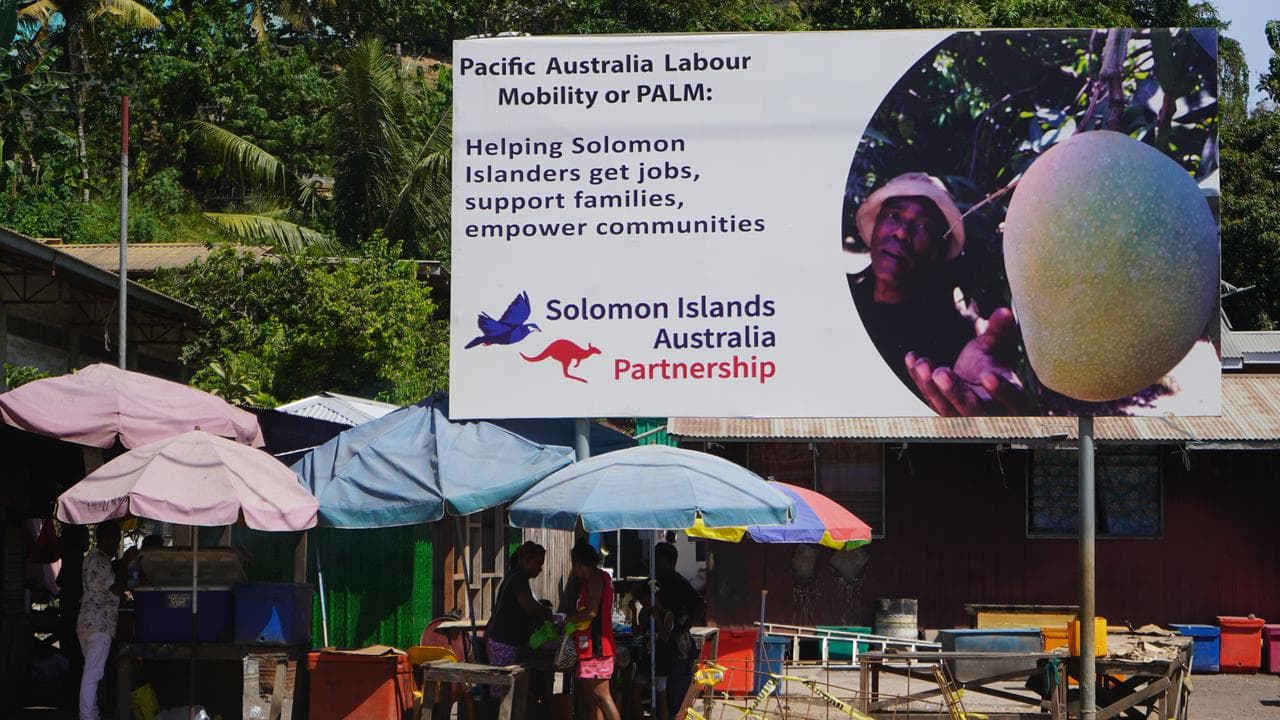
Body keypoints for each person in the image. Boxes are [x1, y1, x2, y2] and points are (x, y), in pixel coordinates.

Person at [848, 172, 1025, 416]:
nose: (901, 233)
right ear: (876, 224)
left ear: (937, 251)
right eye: (893, 215)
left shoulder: (950, 334)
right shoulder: (839, 293)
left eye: (923, 226)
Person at [77, 521, 134, 720]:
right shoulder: (100, 561)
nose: (116, 544)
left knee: (93, 672)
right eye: (116, 540)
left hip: (88, 622)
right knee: (93, 674)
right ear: (106, 539)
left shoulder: (92, 558)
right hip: (99, 624)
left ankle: (92, 713)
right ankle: (86, 715)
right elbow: (116, 589)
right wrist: (126, 563)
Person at [485, 541, 553, 697]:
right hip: (502, 643)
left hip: (504, 641)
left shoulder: (516, 576)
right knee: (502, 692)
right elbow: (528, 605)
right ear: (526, 561)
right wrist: (545, 612)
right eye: (538, 564)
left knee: (506, 691)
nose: (540, 569)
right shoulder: (518, 578)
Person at [567, 542, 621, 720]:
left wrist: (568, 619)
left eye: (574, 565)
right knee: (592, 700)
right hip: (590, 647)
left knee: (602, 697)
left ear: (579, 564)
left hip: (598, 647)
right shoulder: (595, 579)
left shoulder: (596, 578)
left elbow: (591, 612)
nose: (574, 570)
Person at [653, 543, 702, 715]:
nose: (656, 566)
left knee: (676, 696)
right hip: (665, 645)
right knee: (663, 692)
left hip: (678, 647)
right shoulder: (658, 582)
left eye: (659, 562)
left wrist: (684, 627)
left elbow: (698, 604)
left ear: (671, 562)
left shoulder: (677, 582)